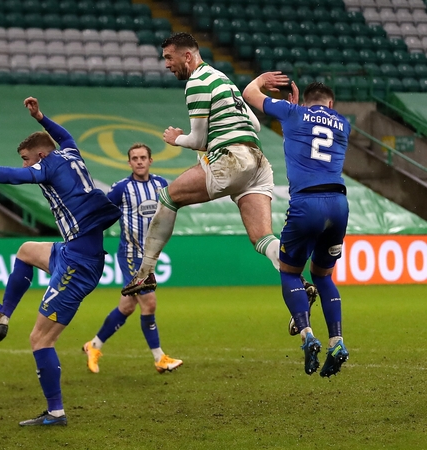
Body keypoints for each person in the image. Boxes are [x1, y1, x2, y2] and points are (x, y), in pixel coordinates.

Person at [0, 97, 121, 427]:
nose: (28, 166)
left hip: (80, 263)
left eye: (29, 160)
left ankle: (56, 412)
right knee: (26, 250)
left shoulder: (49, 166)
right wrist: (42, 118)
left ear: (41, 156)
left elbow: (13, 177)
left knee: (41, 339)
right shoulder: (69, 152)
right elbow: (66, 136)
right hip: (72, 249)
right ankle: (0, 318)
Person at [121, 32, 281, 297]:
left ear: (187, 56)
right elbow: (254, 125)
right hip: (258, 162)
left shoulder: (196, 82)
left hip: (231, 160)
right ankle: (297, 280)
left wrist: (176, 139)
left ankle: (145, 273)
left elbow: (198, 139)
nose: (166, 65)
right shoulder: (222, 78)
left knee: (168, 198)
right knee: (262, 238)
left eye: (169, 58)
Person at [242, 75, 350, 377]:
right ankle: (337, 341)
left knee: (290, 271)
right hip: (339, 204)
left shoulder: (293, 112)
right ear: (330, 104)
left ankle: (306, 334)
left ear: (305, 101)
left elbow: (249, 94)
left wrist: (264, 80)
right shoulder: (343, 123)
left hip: (307, 203)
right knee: (324, 276)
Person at [82, 143, 183, 374]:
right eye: (134, 158)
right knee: (149, 302)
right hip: (130, 255)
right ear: (129, 162)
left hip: (150, 256)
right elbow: (102, 214)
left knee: (127, 307)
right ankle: (159, 358)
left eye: (143, 157)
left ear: (150, 160)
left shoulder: (161, 185)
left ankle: (93, 346)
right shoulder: (121, 189)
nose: (139, 161)